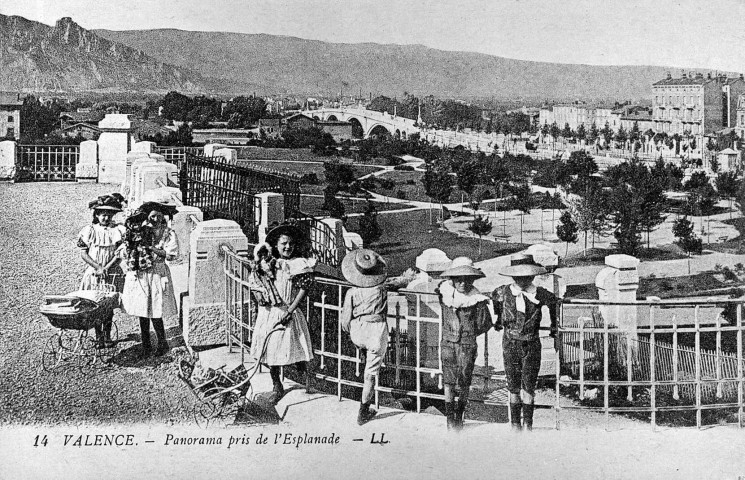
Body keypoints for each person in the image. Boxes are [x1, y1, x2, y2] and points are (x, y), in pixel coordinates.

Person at [250, 223, 315, 403]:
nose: (288, 247)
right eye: (284, 244)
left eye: (291, 244)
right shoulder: (270, 263)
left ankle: (308, 380)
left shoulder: (298, 264)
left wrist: (291, 309)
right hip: (270, 312)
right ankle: (277, 385)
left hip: (288, 311)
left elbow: (304, 288)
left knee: (297, 347)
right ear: (276, 246)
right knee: (270, 349)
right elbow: (258, 281)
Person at [492, 253, 559, 431]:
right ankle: (515, 424)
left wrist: (554, 326)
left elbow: (554, 303)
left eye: (527, 276)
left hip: (531, 344)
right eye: (519, 276)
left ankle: (528, 424)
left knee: (528, 386)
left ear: (533, 275)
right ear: (513, 276)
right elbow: (495, 301)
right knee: (513, 385)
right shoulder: (502, 292)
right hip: (510, 343)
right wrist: (499, 319)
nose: (523, 280)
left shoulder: (540, 293)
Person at [436, 257, 493, 431]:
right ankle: (449, 417)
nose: (462, 283)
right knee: (448, 381)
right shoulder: (444, 294)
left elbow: (484, 323)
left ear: (472, 279)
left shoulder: (477, 299)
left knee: (464, 381)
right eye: (458, 279)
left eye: (467, 279)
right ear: (451, 280)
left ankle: (459, 415)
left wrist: (469, 332)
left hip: (467, 345)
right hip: (448, 343)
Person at [121, 200, 179, 358]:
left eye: (158, 216)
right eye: (152, 216)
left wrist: (151, 248)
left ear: (163, 217)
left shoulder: (168, 233)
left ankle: (162, 342)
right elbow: (127, 247)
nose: (155, 219)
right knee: (142, 307)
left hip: (158, 272)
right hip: (142, 271)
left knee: (156, 307)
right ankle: (146, 344)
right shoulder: (142, 231)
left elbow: (171, 255)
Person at [340, 249, 390, 425]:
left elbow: (345, 322)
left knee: (363, 345)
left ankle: (362, 351)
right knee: (370, 375)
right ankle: (363, 411)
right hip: (376, 331)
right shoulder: (381, 290)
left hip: (358, 331)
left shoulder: (351, 292)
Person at [77, 194, 126, 348]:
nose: (105, 218)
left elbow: (119, 254)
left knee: (108, 305)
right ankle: (99, 337)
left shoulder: (117, 230)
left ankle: (107, 335)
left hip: (111, 271)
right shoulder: (90, 230)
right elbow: (84, 253)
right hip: (94, 272)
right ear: (96, 215)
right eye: (102, 214)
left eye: (109, 215)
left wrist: (107, 267)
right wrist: (97, 267)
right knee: (95, 305)